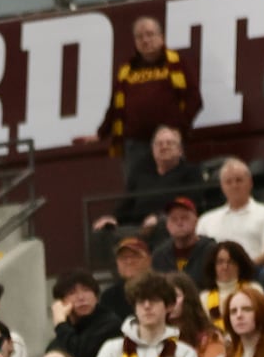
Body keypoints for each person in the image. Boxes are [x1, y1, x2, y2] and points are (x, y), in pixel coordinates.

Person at [82, 18, 202, 183]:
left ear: (161, 37)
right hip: (135, 145)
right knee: (136, 189)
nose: (145, 40)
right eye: (140, 37)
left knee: (174, 185)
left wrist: (178, 129)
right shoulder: (126, 70)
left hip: (168, 141)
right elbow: (115, 107)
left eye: (150, 34)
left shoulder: (176, 63)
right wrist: (101, 133)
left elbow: (194, 99)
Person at [151, 197, 215, 275]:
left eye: (184, 218)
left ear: (196, 220)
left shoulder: (211, 251)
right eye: (174, 219)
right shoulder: (159, 256)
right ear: (167, 225)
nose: (179, 223)